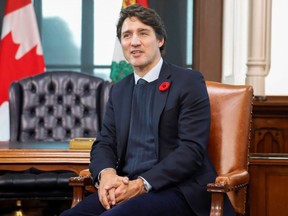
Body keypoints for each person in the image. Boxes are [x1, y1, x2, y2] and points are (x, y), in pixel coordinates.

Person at [61, 4, 235, 216]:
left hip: (177, 190)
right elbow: (105, 144)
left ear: (160, 40)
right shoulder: (119, 90)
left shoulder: (188, 81)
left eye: (143, 33)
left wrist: (142, 184)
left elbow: (191, 151)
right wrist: (107, 175)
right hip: (127, 187)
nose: (134, 42)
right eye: (127, 35)